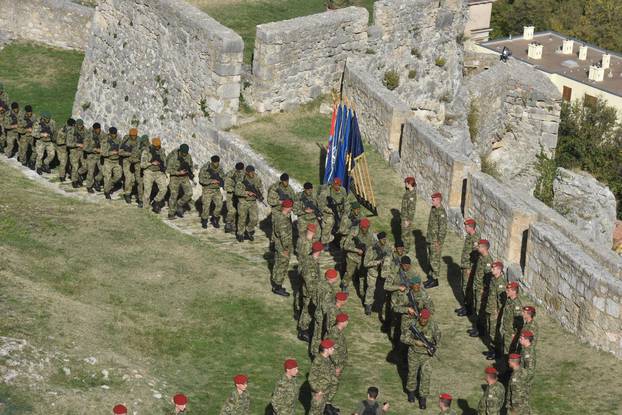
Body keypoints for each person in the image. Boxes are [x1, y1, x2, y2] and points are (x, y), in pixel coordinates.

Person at [402, 308, 440, 409]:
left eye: (425, 319)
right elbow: (403, 338)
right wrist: (415, 342)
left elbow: (438, 338)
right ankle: (411, 392)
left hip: (426, 356)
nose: (423, 321)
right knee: (412, 373)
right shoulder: (413, 323)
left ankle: (423, 398)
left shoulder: (433, 325)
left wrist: (433, 348)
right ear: (419, 316)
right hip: (413, 354)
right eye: (422, 319)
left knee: (426, 376)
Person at [297, 240, 324, 342]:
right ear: (319, 251)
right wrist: (315, 292)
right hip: (309, 291)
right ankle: (303, 332)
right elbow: (309, 281)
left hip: (311, 289)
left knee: (308, 309)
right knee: (307, 310)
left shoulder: (311, 259)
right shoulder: (309, 263)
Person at [311, 269, 341, 354]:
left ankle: (314, 351)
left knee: (316, 334)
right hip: (323, 315)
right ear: (333, 278)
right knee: (321, 334)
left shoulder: (320, 284)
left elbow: (314, 298)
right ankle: (317, 353)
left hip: (317, 311)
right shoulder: (329, 290)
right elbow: (326, 305)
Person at [362, 231, 392, 315]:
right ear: (379, 239)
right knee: (371, 288)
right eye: (383, 239)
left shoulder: (387, 247)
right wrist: (377, 262)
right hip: (373, 272)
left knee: (381, 290)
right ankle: (368, 305)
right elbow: (365, 263)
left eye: (385, 239)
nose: (385, 240)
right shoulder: (372, 249)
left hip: (383, 272)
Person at [342, 218, 375, 293]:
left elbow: (372, 245)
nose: (365, 229)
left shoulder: (370, 233)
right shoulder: (354, 232)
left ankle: (362, 291)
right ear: (360, 226)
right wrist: (357, 250)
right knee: (349, 273)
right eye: (363, 227)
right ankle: (344, 286)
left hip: (363, 258)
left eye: (367, 227)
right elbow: (345, 246)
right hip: (352, 257)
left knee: (362, 275)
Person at [468, 239, 493, 338]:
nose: (477, 247)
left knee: (480, 310)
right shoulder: (481, 257)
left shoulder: (488, 261)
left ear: (484, 248)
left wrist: (484, 290)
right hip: (477, 286)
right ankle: (477, 327)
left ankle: (480, 330)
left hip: (481, 289)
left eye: (479, 246)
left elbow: (488, 278)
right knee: (476, 307)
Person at [309, 338, 339, 415]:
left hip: (325, 391)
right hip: (319, 393)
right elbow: (311, 378)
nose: (333, 349)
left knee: (320, 412)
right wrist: (318, 391)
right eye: (331, 348)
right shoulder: (318, 361)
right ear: (326, 349)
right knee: (315, 412)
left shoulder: (327, 359)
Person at [483, 261, 507, 360]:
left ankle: (496, 352)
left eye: (493, 268)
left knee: (494, 332)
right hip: (489, 308)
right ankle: (492, 350)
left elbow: (501, 301)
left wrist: (498, 313)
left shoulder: (501, 283)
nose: (491, 269)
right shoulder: (493, 279)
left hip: (495, 312)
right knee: (490, 330)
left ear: (499, 270)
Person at [318, 178, 352, 245]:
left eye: (339, 185)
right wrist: (329, 210)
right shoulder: (325, 193)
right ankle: (325, 242)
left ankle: (340, 240)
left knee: (346, 221)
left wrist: (346, 211)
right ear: (332, 184)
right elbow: (321, 206)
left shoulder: (343, 190)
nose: (337, 187)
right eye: (335, 185)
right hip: (327, 212)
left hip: (339, 210)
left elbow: (346, 202)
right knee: (330, 222)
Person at [456, 218, 480, 316]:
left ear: (471, 227)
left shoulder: (475, 239)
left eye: (466, 226)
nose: (465, 228)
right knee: (464, 286)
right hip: (465, 265)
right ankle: (465, 306)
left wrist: (471, 269)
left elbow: (475, 256)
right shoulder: (469, 236)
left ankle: (468, 309)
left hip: (468, 268)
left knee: (467, 288)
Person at [235, 165, 263, 242]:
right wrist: (246, 193)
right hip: (243, 202)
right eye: (250, 172)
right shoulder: (241, 179)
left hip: (253, 202)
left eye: (253, 172)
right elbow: (237, 191)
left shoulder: (257, 179)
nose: (252, 173)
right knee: (242, 219)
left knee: (255, 218)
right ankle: (240, 234)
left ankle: (248, 230)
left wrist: (259, 194)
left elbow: (260, 188)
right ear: (247, 172)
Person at [271, 199, 294, 297]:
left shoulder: (279, 216)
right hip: (283, 247)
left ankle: (276, 284)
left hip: (278, 245)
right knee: (282, 265)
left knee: (277, 264)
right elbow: (284, 236)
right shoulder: (283, 220)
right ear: (287, 207)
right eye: (291, 207)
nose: (292, 209)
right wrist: (286, 249)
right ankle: (278, 287)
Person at [268, 173, 297, 246]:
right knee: (276, 228)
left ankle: (286, 244)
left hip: (286, 211)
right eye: (285, 181)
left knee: (288, 228)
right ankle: (273, 243)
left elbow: (294, 198)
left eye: (287, 181)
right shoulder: (275, 188)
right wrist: (279, 202)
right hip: (277, 211)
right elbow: (269, 201)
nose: (286, 182)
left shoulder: (289, 188)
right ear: (281, 181)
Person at [425, 192, 447, 289]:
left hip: (436, 241)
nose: (432, 201)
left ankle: (435, 280)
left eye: (433, 200)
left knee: (435, 260)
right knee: (430, 259)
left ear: (438, 200)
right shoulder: (433, 209)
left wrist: (439, 242)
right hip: (430, 238)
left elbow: (443, 229)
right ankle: (431, 277)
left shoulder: (441, 213)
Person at [166, 143, 194, 219]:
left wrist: (190, 172)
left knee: (189, 193)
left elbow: (191, 166)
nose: (185, 154)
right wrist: (178, 172)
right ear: (180, 151)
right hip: (175, 177)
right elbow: (168, 170)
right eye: (183, 153)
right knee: (174, 195)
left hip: (184, 177)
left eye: (186, 153)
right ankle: (171, 213)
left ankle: (179, 204)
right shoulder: (173, 157)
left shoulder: (188, 156)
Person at [141, 137, 168, 213]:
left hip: (159, 172)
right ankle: (145, 209)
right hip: (149, 172)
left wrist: (164, 168)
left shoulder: (161, 151)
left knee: (164, 189)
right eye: (156, 146)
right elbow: (142, 165)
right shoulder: (146, 152)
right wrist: (151, 163)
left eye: (158, 146)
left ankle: (155, 201)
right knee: (147, 191)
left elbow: (164, 161)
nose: (157, 147)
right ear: (152, 145)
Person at [199, 155, 225, 228]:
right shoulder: (205, 168)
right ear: (212, 162)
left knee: (220, 204)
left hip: (216, 190)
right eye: (215, 162)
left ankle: (215, 218)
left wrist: (222, 182)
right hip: (207, 189)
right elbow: (201, 180)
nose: (216, 164)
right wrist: (211, 181)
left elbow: (223, 177)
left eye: (217, 162)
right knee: (206, 206)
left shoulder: (220, 168)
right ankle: (204, 220)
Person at [119, 127, 143, 206]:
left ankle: (140, 198)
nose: (133, 137)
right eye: (132, 135)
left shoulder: (140, 140)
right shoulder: (126, 140)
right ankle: (127, 194)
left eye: (135, 135)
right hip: (127, 160)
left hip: (136, 161)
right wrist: (129, 154)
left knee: (138, 178)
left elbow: (145, 150)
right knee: (128, 177)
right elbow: (120, 152)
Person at [101, 127, 123, 199]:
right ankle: (107, 191)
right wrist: (111, 152)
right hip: (108, 161)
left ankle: (109, 185)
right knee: (107, 177)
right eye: (112, 134)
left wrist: (120, 151)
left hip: (116, 161)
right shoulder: (105, 140)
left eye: (115, 134)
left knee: (118, 176)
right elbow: (103, 152)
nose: (114, 135)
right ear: (110, 133)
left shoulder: (119, 139)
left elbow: (122, 148)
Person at [502, 282, 523, 355]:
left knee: (509, 351)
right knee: (505, 348)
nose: (506, 292)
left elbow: (519, 323)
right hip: (506, 329)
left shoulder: (517, 305)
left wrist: (514, 334)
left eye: (508, 290)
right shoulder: (509, 300)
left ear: (514, 291)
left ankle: (508, 365)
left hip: (511, 332)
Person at [224, 162, 245, 233]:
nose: (241, 172)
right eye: (240, 170)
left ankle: (234, 226)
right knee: (232, 210)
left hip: (240, 195)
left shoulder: (244, 173)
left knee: (239, 210)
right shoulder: (230, 174)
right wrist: (235, 190)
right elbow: (226, 187)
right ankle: (228, 223)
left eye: (242, 170)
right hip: (231, 195)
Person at [83, 122, 104, 193]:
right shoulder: (89, 135)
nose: (98, 130)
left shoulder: (103, 134)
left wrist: (102, 149)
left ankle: (97, 181)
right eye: (97, 129)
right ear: (94, 129)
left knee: (103, 170)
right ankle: (89, 186)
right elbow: (85, 147)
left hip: (100, 155)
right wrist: (93, 149)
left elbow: (106, 143)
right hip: (91, 155)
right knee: (90, 171)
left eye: (99, 129)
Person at [67, 119, 87, 188]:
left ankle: (78, 174)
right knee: (75, 166)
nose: (80, 127)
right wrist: (77, 144)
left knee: (85, 166)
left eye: (81, 125)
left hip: (82, 151)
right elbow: (68, 143)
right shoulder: (72, 131)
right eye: (79, 125)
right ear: (76, 125)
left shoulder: (85, 131)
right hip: (74, 151)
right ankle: (74, 181)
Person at [401, 176, 417, 252]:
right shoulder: (408, 191)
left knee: (406, 234)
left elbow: (411, 210)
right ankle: (403, 247)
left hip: (407, 218)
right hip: (404, 216)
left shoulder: (412, 196)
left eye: (406, 183)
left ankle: (406, 249)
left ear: (409, 184)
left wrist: (408, 220)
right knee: (404, 233)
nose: (405, 184)